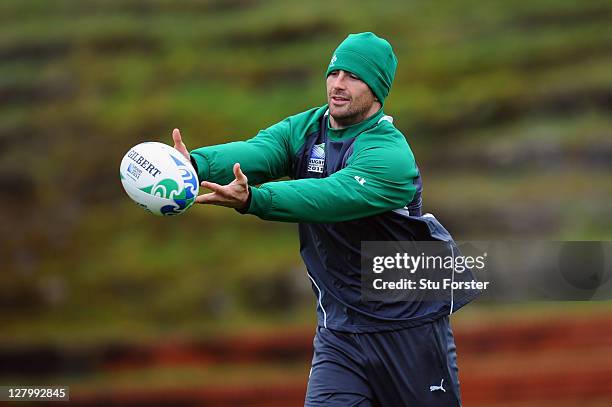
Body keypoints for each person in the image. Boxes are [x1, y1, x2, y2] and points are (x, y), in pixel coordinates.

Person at [172, 32, 479, 406]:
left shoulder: (389, 154)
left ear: (378, 88)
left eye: (353, 76)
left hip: (409, 330)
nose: (338, 84)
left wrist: (254, 198)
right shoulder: (307, 128)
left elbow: (330, 196)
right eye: (334, 73)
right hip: (340, 335)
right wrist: (191, 165)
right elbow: (261, 150)